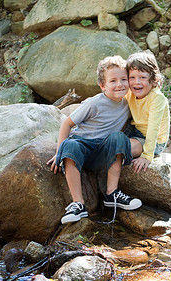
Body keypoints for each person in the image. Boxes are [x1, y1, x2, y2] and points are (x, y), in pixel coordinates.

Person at [47, 55, 142, 224]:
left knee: (119, 138)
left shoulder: (128, 104)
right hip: (84, 147)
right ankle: (78, 204)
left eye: (123, 79)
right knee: (70, 146)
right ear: (102, 86)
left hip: (104, 152)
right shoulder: (93, 104)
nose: (119, 85)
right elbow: (67, 124)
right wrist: (59, 151)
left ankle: (111, 194)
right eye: (113, 81)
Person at [124, 51, 170, 173]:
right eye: (132, 77)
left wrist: (147, 155)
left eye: (142, 77)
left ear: (153, 78)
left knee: (120, 148)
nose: (136, 82)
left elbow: (153, 128)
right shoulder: (130, 92)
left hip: (154, 141)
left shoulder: (157, 98)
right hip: (135, 129)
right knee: (107, 138)